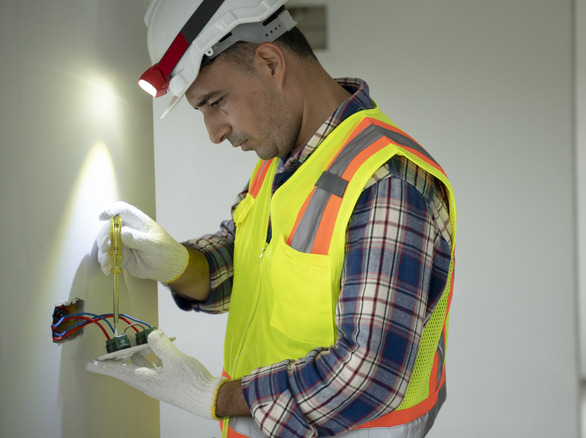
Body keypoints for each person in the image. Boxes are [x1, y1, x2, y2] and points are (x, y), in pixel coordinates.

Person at [87, 0, 457, 437]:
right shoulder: (283, 160)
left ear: (268, 62)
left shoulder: (384, 181)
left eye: (216, 102)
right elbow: (252, 268)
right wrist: (176, 263)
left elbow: (369, 374)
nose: (214, 132)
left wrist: (214, 396)